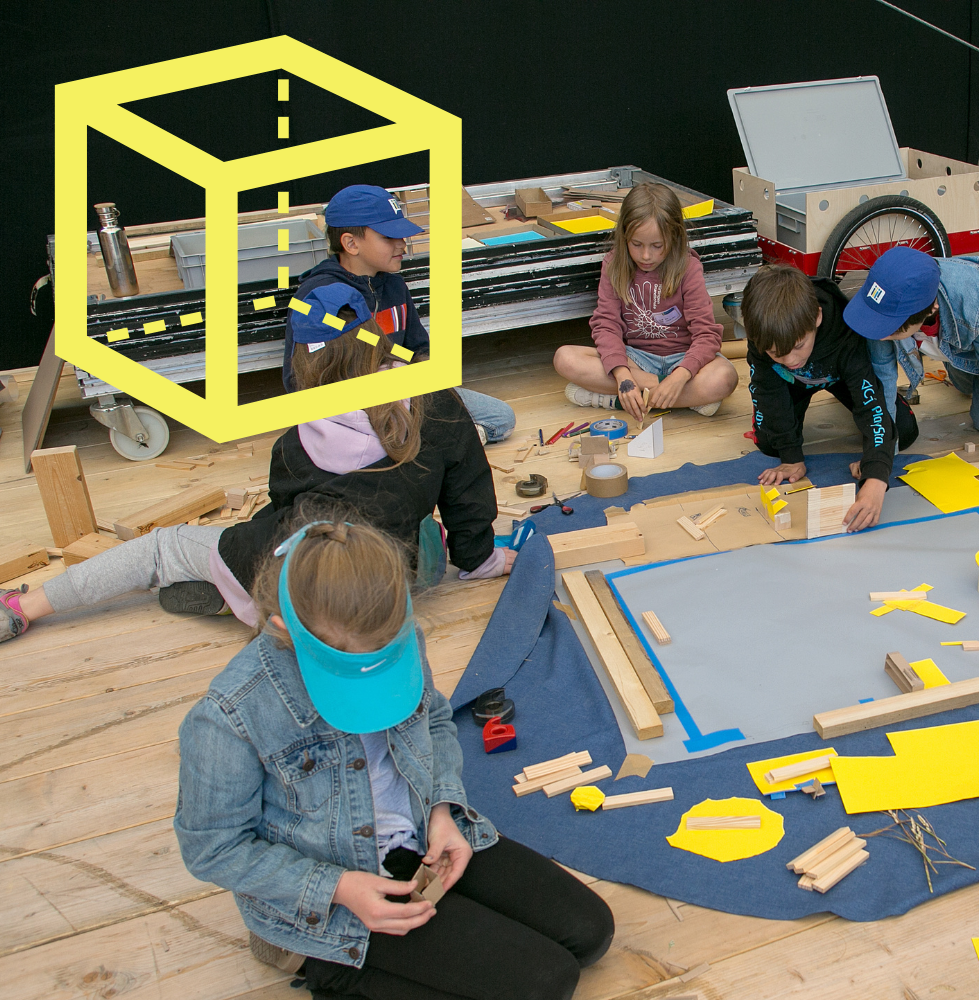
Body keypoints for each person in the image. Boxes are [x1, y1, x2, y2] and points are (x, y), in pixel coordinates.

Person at [174, 519, 614, 1000]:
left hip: (419, 837)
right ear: (285, 630)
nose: (373, 671)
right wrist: (340, 887)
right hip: (334, 886)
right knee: (546, 982)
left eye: (384, 657)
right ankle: (315, 959)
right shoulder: (230, 715)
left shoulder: (395, 634)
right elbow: (212, 848)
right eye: (348, 668)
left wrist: (442, 811)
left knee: (591, 931)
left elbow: (436, 719)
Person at [1, 294, 509, 644]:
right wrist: (481, 560)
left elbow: (283, 505)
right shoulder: (435, 402)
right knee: (425, 539)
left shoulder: (297, 435)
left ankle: (24, 609)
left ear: (307, 362)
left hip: (290, 585)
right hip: (375, 597)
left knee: (162, 548)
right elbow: (468, 491)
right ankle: (241, 601)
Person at [284, 183, 516, 445]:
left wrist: (423, 374)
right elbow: (298, 380)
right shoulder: (317, 296)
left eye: (402, 236)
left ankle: (429, 439)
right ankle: (436, 441)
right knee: (391, 431)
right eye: (388, 237)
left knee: (500, 417)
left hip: (403, 393)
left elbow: (418, 349)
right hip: (347, 411)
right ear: (350, 243)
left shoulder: (394, 285)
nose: (402, 245)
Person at [741, 264, 916, 532]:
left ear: (817, 317)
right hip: (791, 384)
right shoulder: (763, 331)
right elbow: (767, 390)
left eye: (799, 346)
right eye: (776, 354)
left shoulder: (844, 327)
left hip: (840, 375)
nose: (791, 360)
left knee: (903, 431)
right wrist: (791, 456)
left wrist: (876, 476)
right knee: (770, 444)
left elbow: (871, 406)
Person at [554, 181, 738, 421]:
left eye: (657, 246)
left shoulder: (688, 267)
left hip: (682, 359)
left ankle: (617, 400)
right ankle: (683, 398)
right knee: (565, 358)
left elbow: (707, 335)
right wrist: (623, 376)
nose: (646, 255)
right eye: (636, 244)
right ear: (624, 236)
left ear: (674, 237)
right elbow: (606, 325)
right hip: (635, 360)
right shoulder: (613, 264)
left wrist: (680, 376)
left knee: (725, 377)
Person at [846, 246, 979, 462]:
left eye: (891, 329)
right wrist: (881, 455)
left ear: (932, 309)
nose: (880, 336)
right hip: (957, 323)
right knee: (964, 386)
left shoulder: (976, 303)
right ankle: (952, 348)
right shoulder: (883, 302)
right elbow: (883, 377)